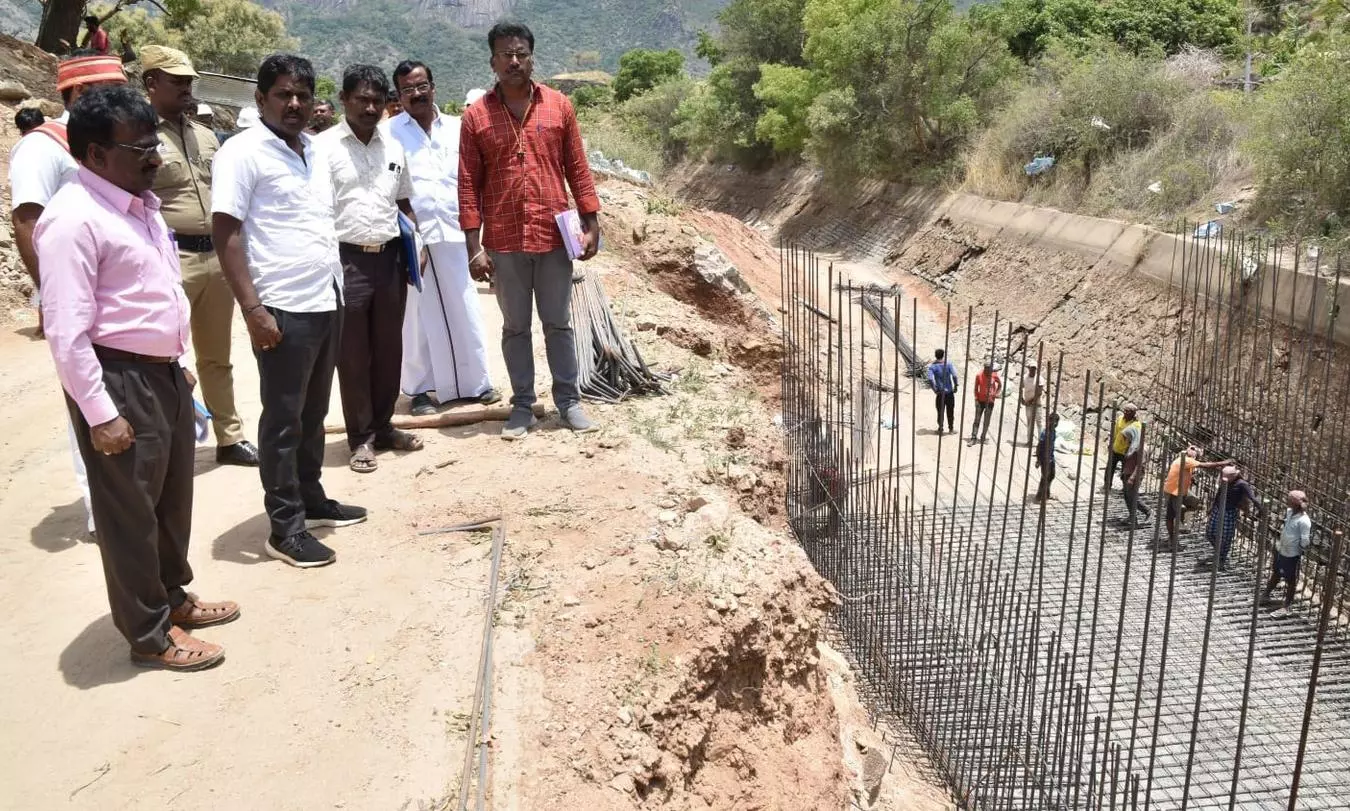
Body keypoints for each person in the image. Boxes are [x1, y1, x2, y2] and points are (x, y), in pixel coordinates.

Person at [37, 85, 239, 671]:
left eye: (155, 143)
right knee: (130, 515)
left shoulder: (139, 204)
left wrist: (176, 365)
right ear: (96, 155)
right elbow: (66, 333)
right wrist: (101, 414)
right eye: (141, 148)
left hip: (161, 376)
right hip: (117, 379)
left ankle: (173, 598)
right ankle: (149, 634)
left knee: (172, 501)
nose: (156, 157)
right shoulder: (73, 220)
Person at [212, 54, 366, 569]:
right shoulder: (242, 152)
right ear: (261, 100)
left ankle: (312, 499)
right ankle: (285, 527)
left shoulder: (314, 151)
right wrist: (252, 309)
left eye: (303, 93)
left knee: (315, 412)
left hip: (326, 297)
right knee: (282, 419)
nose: (295, 103)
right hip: (281, 306)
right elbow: (226, 231)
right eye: (283, 94)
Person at [460, 21, 603, 439]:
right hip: (503, 242)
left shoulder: (559, 106)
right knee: (515, 327)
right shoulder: (476, 117)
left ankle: (569, 401)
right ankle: (522, 405)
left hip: (553, 236)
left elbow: (577, 167)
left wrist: (590, 221)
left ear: (532, 57)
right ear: (493, 61)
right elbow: (467, 185)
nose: (514, 60)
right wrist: (474, 247)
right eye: (505, 54)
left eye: (520, 53)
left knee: (558, 323)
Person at [10, 53, 128, 535]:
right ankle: (101, 509)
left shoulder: (104, 140)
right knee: (87, 402)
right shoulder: (43, 147)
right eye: (106, 89)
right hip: (78, 296)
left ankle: (124, 499)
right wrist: (55, 301)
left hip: (116, 299)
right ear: (76, 94)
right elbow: (27, 222)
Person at [142, 45, 259, 468]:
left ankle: (230, 438)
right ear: (151, 83)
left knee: (216, 356)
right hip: (168, 258)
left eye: (190, 81)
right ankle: (168, 445)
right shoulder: (138, 134)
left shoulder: (206, 135)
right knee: (161, 357)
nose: (187, 88)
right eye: (177, 81)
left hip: (214, 259)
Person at [316, 64, 425, 472]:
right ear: (344, 99)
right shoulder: (321, 148)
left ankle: (383, 427)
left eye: (377, 101)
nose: (369, 107)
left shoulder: (394, 146)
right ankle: (360, 438)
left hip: (391, 257)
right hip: (346, 260)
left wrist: (419, 243)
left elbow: (403, 203)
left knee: (388, 349)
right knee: (353, 353)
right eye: (361, 99)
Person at [389, 62, 499, 416]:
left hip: (456, 230)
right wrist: (408, 235)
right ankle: (420, 390)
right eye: (408, 89)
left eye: (422, 86)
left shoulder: (458, 128)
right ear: (399, 95)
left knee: (464, 306)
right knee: (417, 315)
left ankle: (475, 384)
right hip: (412, 236)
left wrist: (480, 238)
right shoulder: (389, 133)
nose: (417, 94)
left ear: (433, 87)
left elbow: (475, 178)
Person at [1159, 446, 1231, 552]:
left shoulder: (1182, 459)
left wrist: (1190, 479)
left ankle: (1173, 536)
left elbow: (1183, 473)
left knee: (1180, 511)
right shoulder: (1187, 460)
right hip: (1175, 492)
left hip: (1175, 490)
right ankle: (1177, 532)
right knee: (1175, 513)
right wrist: (1223, 462)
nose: (1196, 456)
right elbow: (1206, 465)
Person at [1198, 466, 1261, 571]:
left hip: (1229, 512)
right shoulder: (1224, 481)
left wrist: (1261, 510)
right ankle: (1219, 552)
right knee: (1210, 533)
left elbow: (1252, 498)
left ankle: (1221, 559)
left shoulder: (1242, 484)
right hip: (1218, 509)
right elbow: (1219, 494)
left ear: (1233, 477)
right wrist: (1212, 507)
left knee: (1226, 537)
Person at [1262, 490, 1312, 617]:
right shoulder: (1290, 513)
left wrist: (1298, 549)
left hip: (1291, 554)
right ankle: (1266, 595)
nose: (1286, 501)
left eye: (1289, 500)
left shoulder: (1304, 521)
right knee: (1276, 572)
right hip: (1282, 549)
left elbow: (1305, 541)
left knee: (1290, 580)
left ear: (1295, 503)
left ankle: (1286, 606)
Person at [1117, 404, 1151, 527]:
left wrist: (1132, 477)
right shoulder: (1132, 445)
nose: (1126, 440)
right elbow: (1127, 459)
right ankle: (1132, 517)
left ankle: (1147, 511)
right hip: (1127, 472)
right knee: (1127, 496)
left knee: (1131, 496)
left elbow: (1140, 464)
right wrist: (1123, 473)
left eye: (1127, 438)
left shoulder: (1140, 447)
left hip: (1134, 475)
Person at [1104, 403, 1141, 492]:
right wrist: (1111, 443)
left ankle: (1126, 489)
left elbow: (1136, 441)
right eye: (1124, 410)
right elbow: (1115, 432)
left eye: (1127, 411)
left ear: (1133, 413)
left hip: (1126, 452)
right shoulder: (1120, 419)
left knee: (1126, 471)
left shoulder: (1136, 425)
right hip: (1116, 448)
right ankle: (1107, 486)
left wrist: (1131, 452)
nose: (1125, 412)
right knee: (1109, 468)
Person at [926, 348, 958, 436]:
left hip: (940, 393)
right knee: (950, 411)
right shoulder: (949, 364)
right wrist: (955, 385)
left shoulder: (933, 366)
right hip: (949, 393)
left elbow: (930, 379)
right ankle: (951, 429)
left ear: (935, 355)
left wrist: (934, 389)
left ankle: (940, 429)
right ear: (943, 355)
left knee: (940, 411)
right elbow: (955, 375)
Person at [970, 361, 1001, 443]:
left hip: (990, 402)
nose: (988, 371)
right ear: (984, 368)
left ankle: (983, 437)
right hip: (980, 401)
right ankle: (973, 437)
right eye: (986, 369)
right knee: (977, 420)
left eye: (989, 369)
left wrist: (996, 393)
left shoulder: (994, 375)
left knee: (986, 421)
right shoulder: (979, 375)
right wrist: (976, 399)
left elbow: (1000, 385)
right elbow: (976, 388)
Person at [1035, 413, 1059, 503]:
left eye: (1056, 422)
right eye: (1053, 421)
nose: (1055, 424)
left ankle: (1046, 493)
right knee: (1045, 477)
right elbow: (1039, 445)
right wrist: (1038, 459)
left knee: (1051, 475)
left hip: (1051, 457)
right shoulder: (1045, 433)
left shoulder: (1053, 431)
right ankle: (1039, 496)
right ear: (1049, 421)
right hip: (1044, 458)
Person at [1020, 362, 1043, 445]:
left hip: (1037, 404)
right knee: (1029, 423)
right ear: (1029, 368)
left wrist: (1032, 401)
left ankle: (1041, 442)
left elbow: (1039, 392)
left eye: (1034, 368)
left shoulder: (1039, 378)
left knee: (1039, 423)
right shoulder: (1025, 378)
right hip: (1028, 404)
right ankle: (1029, 441)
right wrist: (1021, 399)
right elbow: (1021, 388)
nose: (1033, 370)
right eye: (1031, 368)